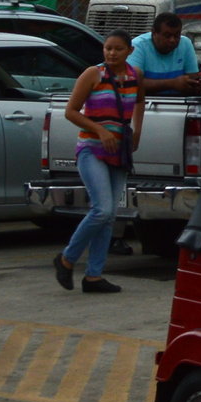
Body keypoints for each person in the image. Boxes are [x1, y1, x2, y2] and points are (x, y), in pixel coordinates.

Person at [53, 33, 143, 293]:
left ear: (129, 50)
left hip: (119, 151)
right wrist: (100, 131)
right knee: (102, 210)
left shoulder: (135, 75)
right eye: (107, 48)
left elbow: (139, 102)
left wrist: (137, 132)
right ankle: (67, 258)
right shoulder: (93, 74)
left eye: (118, 49)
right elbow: (71, 111)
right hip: (91, 149)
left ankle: (93, 276)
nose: (111, 53)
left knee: (110, 216)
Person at [129, 12, 201, 94]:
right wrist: (172, 83)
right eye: (167, 36)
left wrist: (197, 85)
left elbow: (192, 78)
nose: (172, 40)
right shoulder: (137, 46)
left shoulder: (185, 43)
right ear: (154, 33)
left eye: (176, 35)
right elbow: (131, 84)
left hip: (179, 103)